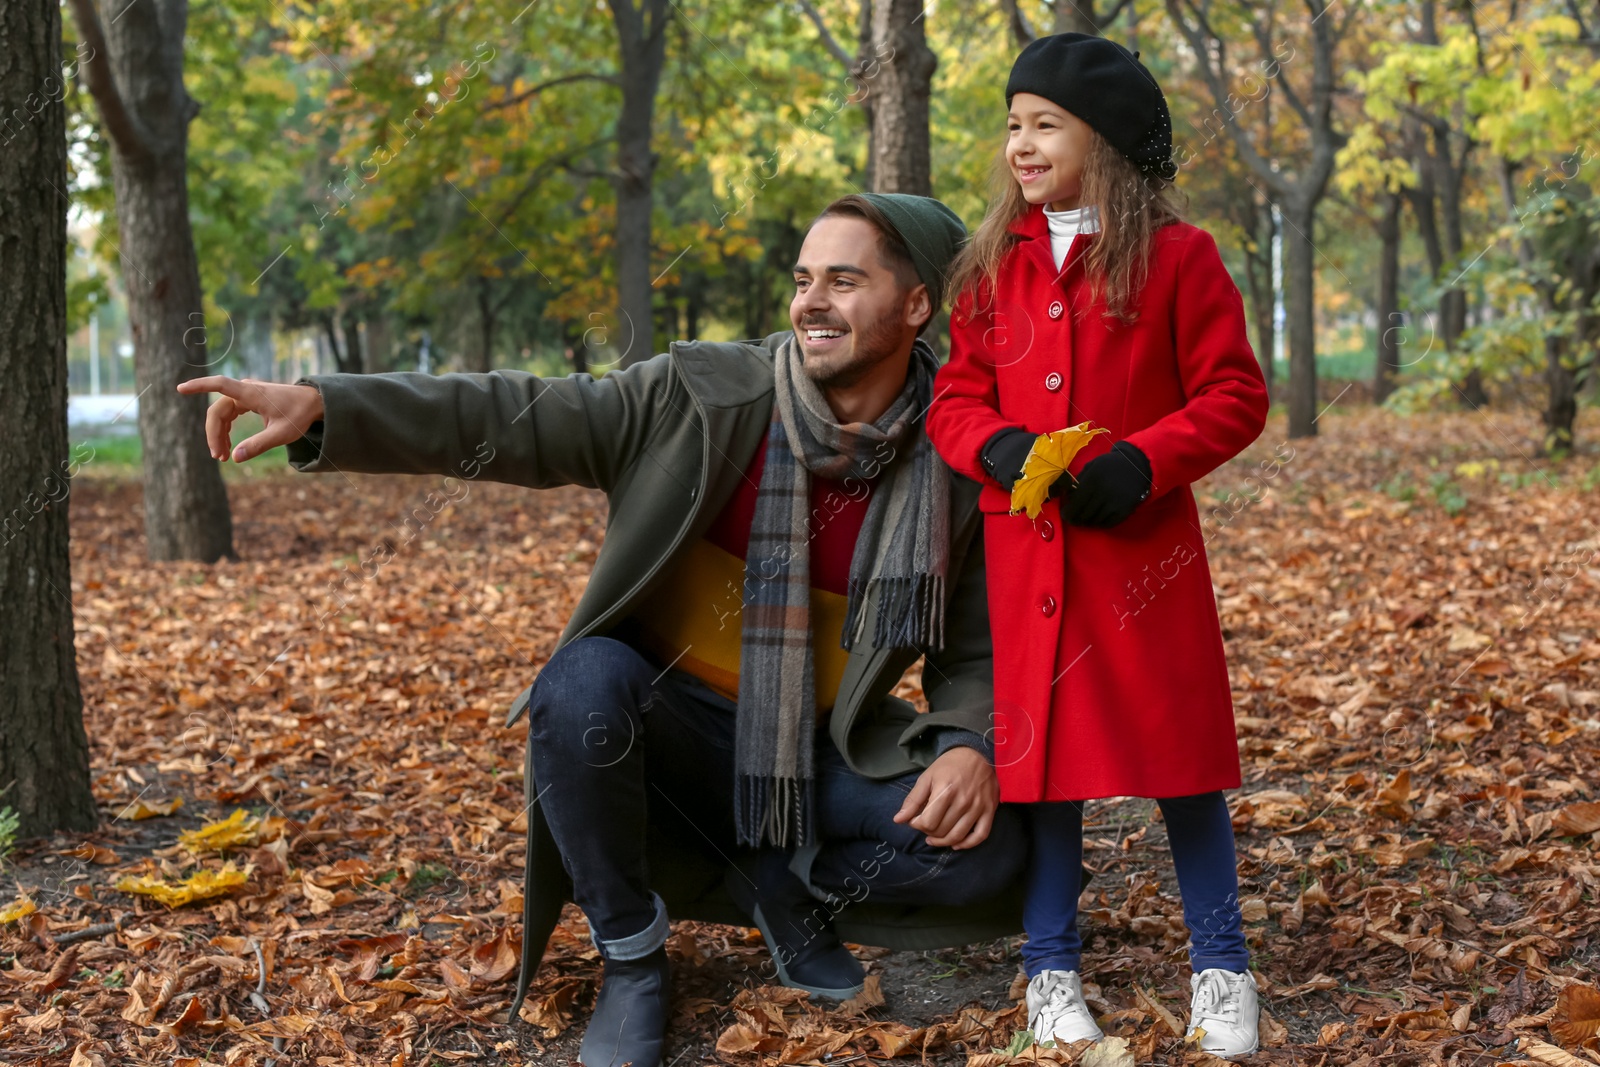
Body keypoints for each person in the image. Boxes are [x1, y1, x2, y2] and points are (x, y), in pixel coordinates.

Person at [178, 193, 1027, 1067]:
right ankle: (632, 956)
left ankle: (781, 883)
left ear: (918, 303)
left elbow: (974, 645)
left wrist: (966, 739)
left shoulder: (955, 460)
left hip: (812, 750)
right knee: (581, 682)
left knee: (991, 847)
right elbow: (515, 413)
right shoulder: (700, 396)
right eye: (804, 278)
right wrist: (328, 404)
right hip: (663, 732)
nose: (811, 300)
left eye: (844, 281)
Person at [924, 33, 1272, 1058]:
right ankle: (1048, 968)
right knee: (1045, 772)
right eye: (1012, 125)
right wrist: (990, 443)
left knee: (1180, 761)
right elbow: (956, 395)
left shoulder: (1179, 257)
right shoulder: (993, 266)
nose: (1020, 145)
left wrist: (1144, 460)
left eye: (1045, 126)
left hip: (1139, 554)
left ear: (1106, 142)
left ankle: (1221, 965)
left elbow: (1234, 393)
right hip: (1029, 554)